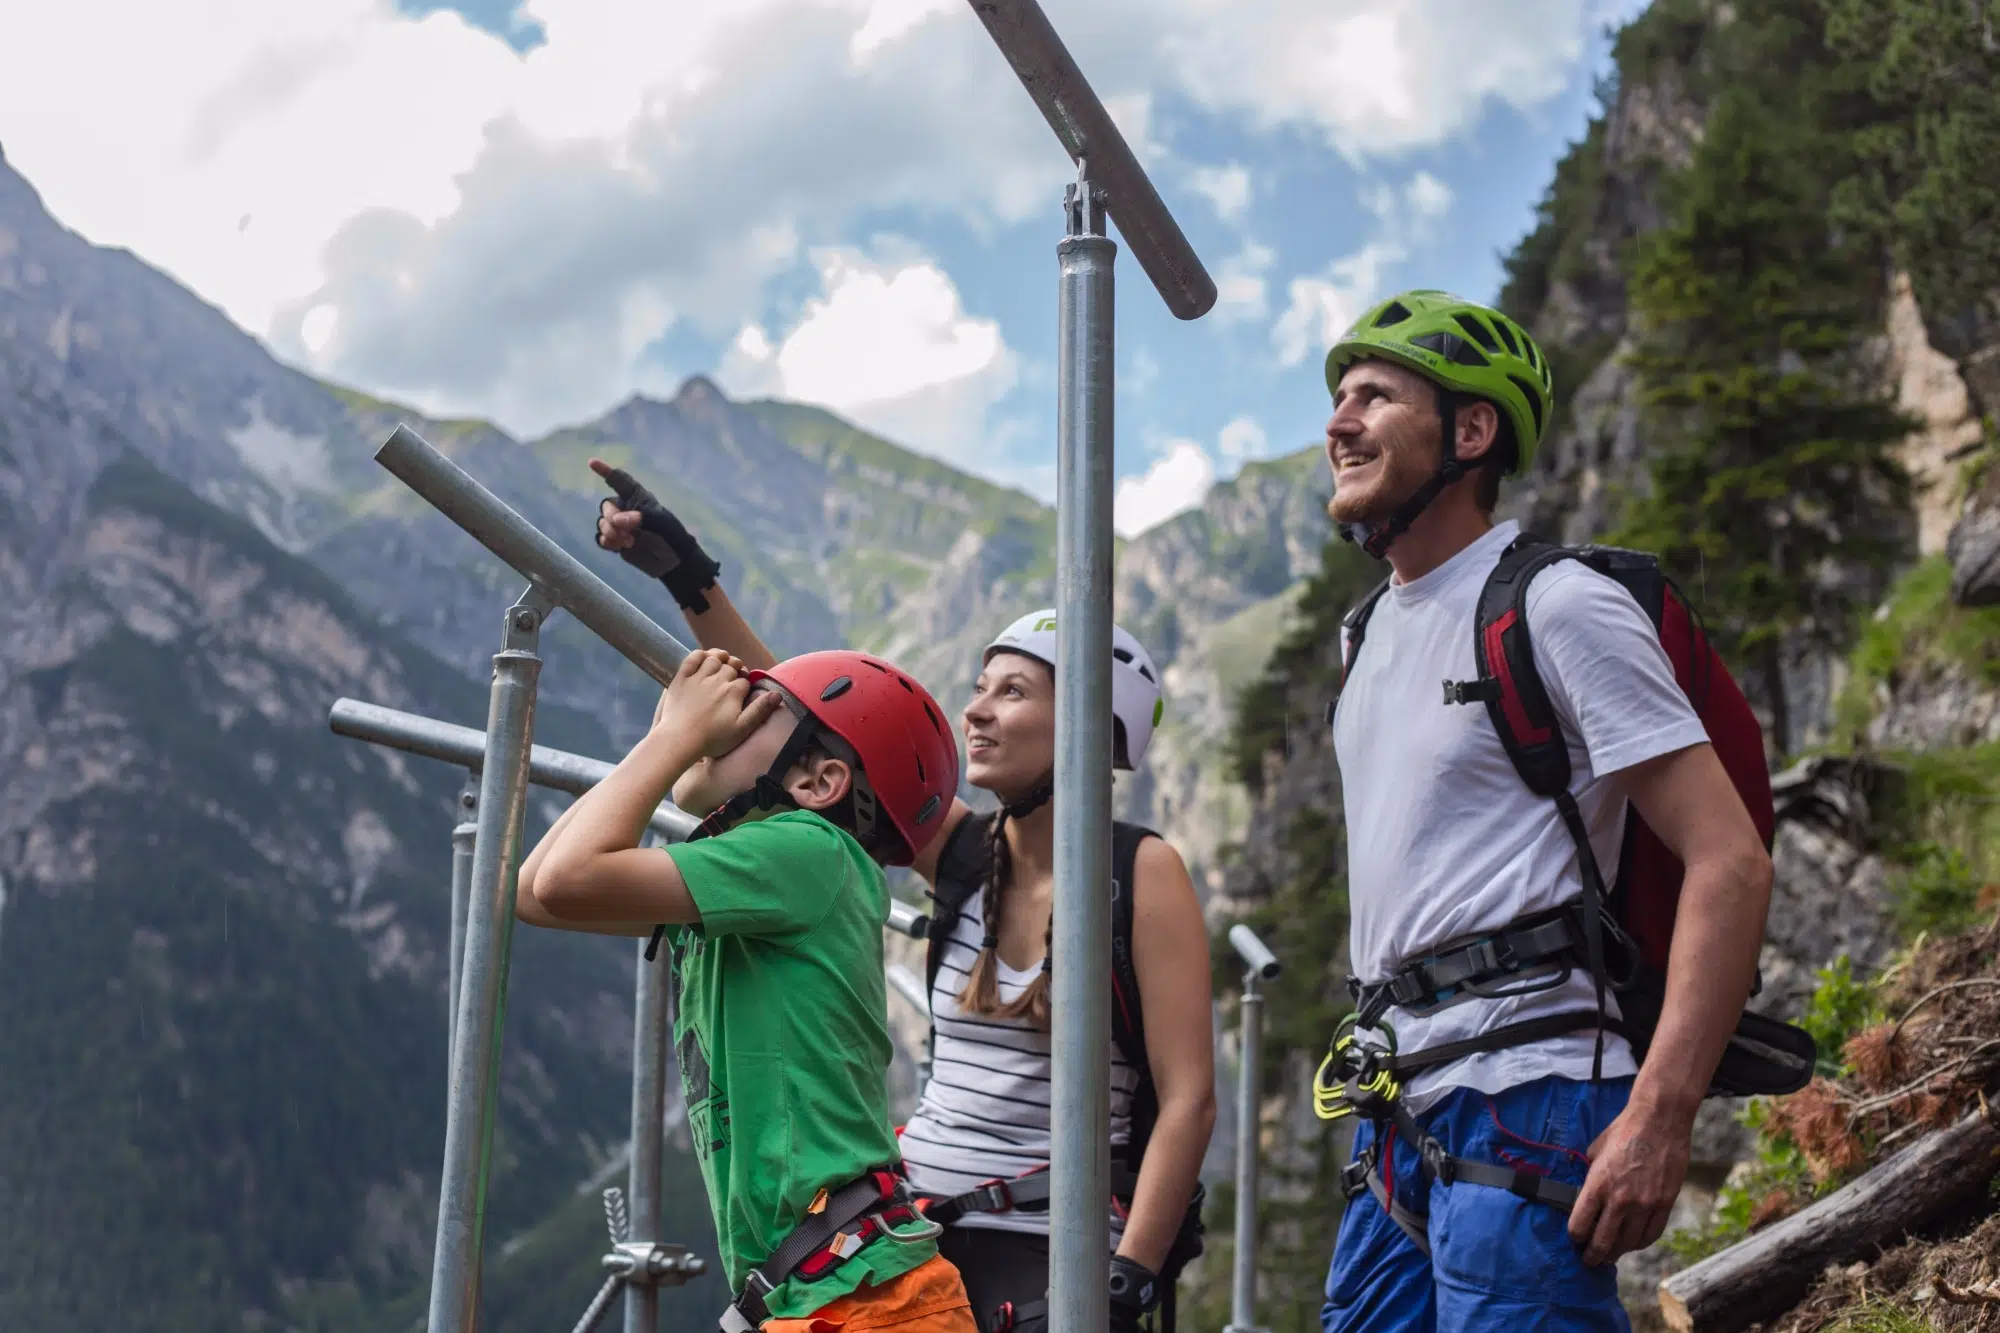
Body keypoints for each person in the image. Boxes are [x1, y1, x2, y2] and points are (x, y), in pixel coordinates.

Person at [588, 461, 1217, 1333]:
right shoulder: (966, 856)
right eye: (979, 687)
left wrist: (1130, 1274)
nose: (977, 712)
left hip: (1050, 1239)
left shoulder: (1141, 872)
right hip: (904, 1224)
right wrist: (687, 574)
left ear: (1089, 723)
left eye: (1013, 690)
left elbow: (1189, 1095)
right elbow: (816, 725)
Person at [1313, 289, 1777, 1332]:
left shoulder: (1557, 604)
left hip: (1534, 1091)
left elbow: (1727, 861)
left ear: (1469, 431)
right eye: (1337, 398)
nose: (1337, 422)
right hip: (1396, 1102)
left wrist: (1659, 1117)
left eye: (1374, 397)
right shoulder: (1361, 640)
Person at [513, 637, 978, 1333]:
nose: (729, 715)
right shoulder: (762, 871)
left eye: (760, 709)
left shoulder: (809, 851)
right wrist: (664, 739)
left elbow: (561, 879)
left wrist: (675, 740)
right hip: (832, 1290)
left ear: (818, 783)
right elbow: (534, 895)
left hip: (870, 1302)